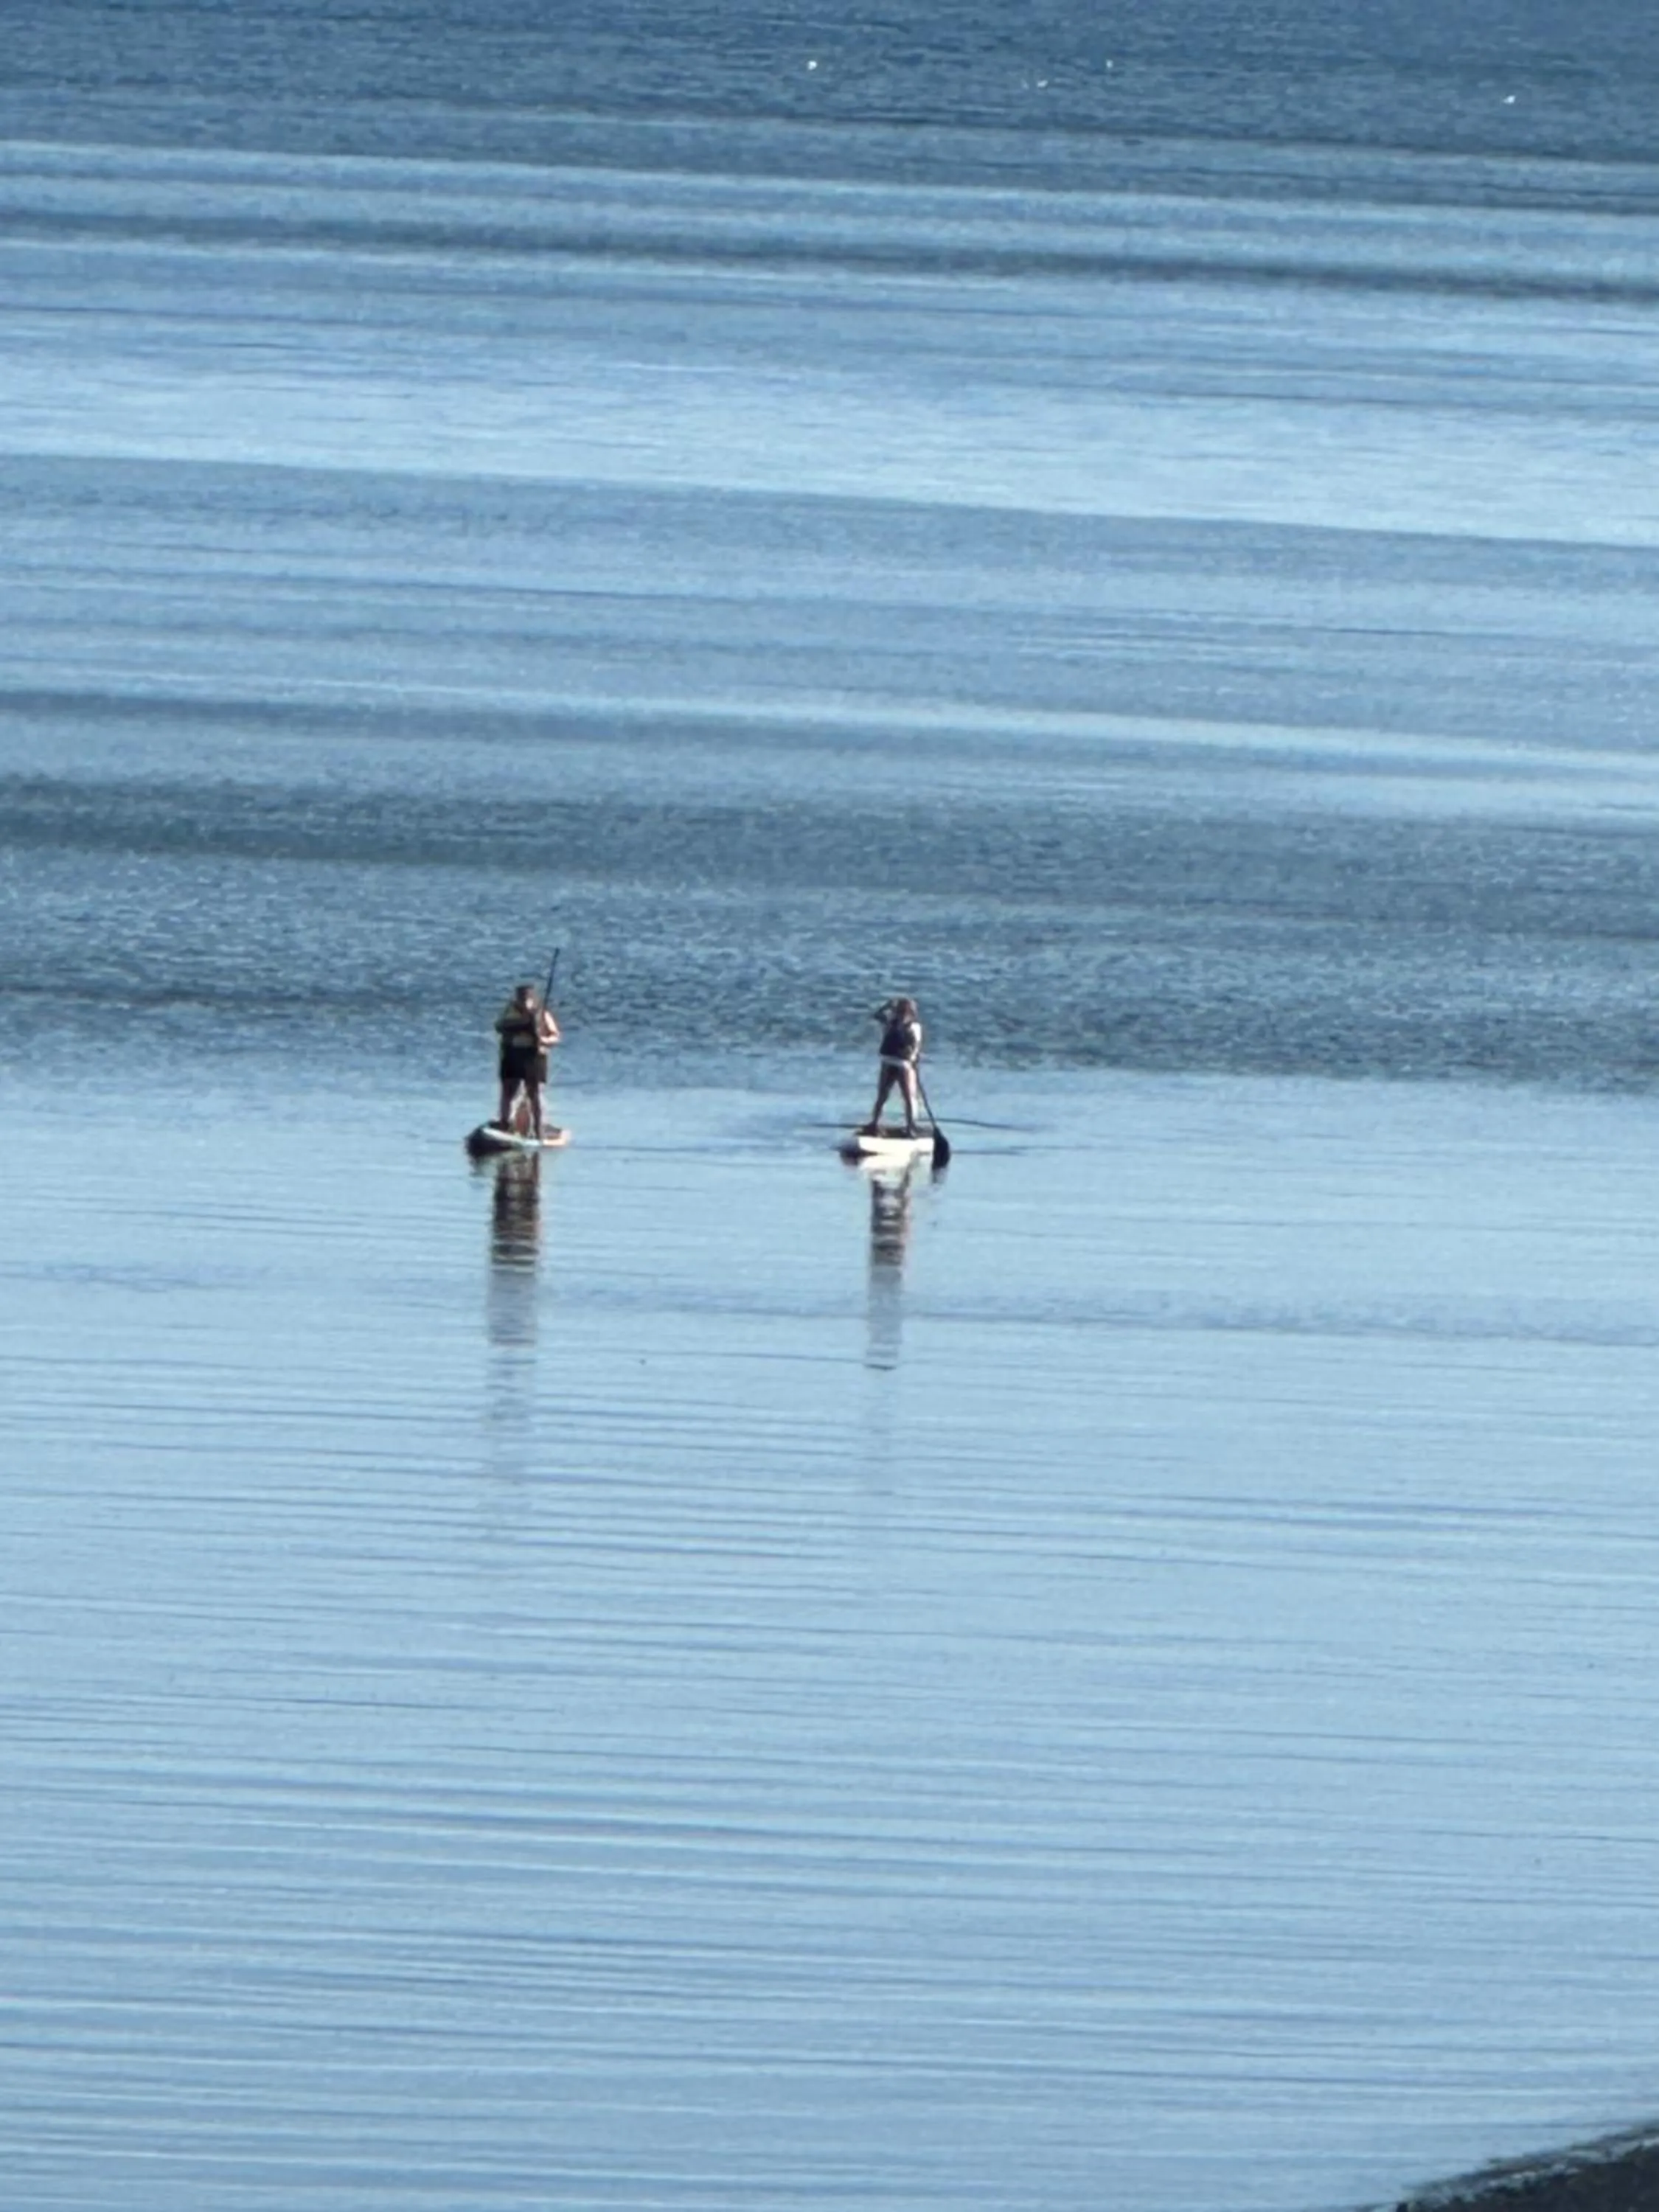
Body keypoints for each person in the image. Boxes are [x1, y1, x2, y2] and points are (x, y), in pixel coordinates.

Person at [494, 981, 560, 1140]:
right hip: (512, 1055)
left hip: (533, 1057)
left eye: (526, 997)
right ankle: (505, 1125)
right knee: (508, 1092)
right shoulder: (509, 1012)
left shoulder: (541, 1013)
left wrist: (543, 1040)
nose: (523, 1001)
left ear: (532, 998)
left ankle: (538, 1129)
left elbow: (555, 1036)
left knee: (534, 1093)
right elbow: (499, 1026)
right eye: (520, 997)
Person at [862, 995, 923, 1136]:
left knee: (891, 1096)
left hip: (896, 1063)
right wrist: (914, 1061)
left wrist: (887, 1006)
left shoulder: (893, 1023)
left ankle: (906, 1126)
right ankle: (908, 1126)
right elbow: (917, 1049)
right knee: (905, 1097)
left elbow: (877, 1015)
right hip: (898, 1063)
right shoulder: (896, 1023)